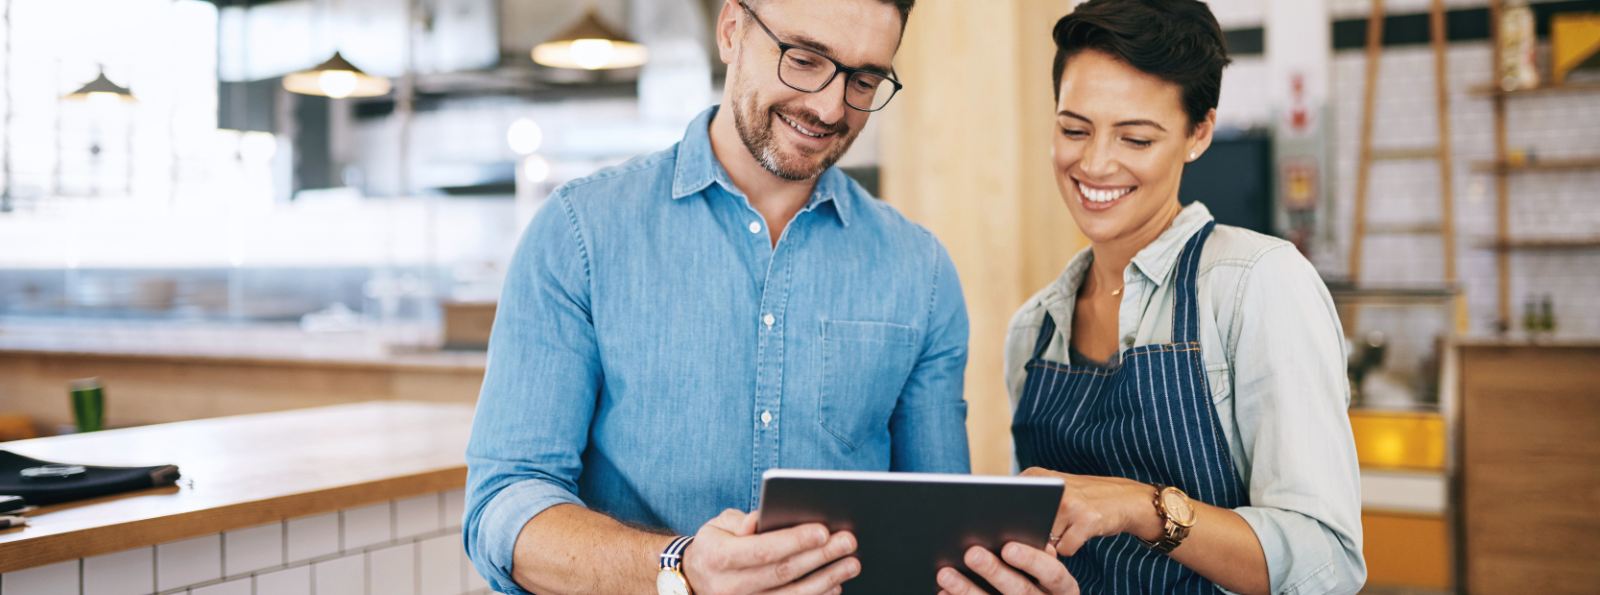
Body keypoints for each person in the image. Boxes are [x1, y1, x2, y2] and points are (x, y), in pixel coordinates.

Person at [463, 1, 972, 594]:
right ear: (731, 30)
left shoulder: (921, 271)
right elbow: (504, 508)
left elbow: (939, 536)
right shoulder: (581, 233)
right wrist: (680, 568)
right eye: (804, 60)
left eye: (863, 80)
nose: (829, 107)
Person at [936, 1, 1365, 594]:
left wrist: (1140, 506)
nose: (1094, 163)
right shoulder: (1033, 330)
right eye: (1073, 129)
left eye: (1135, 138)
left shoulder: (1255, 285)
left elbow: (1327, 562)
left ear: (1199, 133)